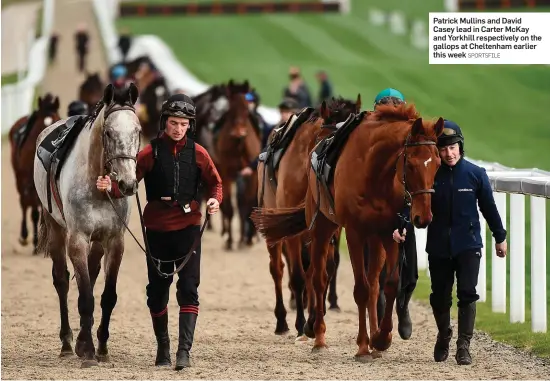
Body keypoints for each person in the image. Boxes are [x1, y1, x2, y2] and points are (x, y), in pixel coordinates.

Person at [96, 94, 223, 370]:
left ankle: (183, 352)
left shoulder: (199, 153)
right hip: (156, 231)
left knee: (189, 288)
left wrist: (215, 200)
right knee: (156, 293)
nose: (178, 129)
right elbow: (128, 187)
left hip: (189, 230)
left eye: (184, 124)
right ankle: (163, 347)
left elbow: (216, 183)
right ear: (165, 122)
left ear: (190, 125)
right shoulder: (148, 153)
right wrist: (110, 188)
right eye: (174, 123)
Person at [393, 120, 507, 365]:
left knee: (467, 294)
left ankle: (464, 346)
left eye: (453, 147)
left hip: (469, 245)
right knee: (440, 297)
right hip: (438, 247)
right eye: (443, 149)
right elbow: (411, 202)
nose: (449, 153)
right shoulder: (430, 175)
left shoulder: (476, 174)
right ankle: (444, 334)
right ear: (438, 151)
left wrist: (500, 237)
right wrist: (401, 224)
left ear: (460, 146)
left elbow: (489, 208)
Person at [368, 87, 416, 341]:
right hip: (373, 214)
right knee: (373, 269)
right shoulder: (366, 139)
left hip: (401, 210)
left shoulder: (410, 138)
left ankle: (403, 306)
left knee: (408, 270)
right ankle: (379, 308)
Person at [239, 97, 299, 177]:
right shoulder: (272, 131)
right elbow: (265, 150)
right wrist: (251, 167)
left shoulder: (300, 131)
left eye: (288, 112)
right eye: (282, 112)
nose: (284, 115)